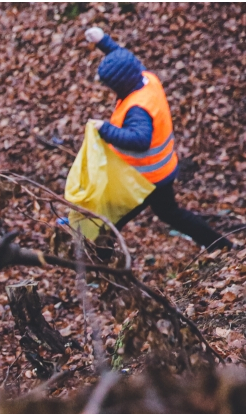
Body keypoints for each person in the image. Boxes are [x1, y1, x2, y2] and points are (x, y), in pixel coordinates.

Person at [85, 27, 233, 251]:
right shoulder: (146, 79)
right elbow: (126, 60)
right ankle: (221, 246)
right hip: (161, 172)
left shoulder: (137, 110)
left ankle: (101, 265)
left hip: (145, 180)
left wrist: (104, 129)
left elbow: (140, 140)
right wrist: (103, 42)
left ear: (120, 85)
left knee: (113, 221)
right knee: (169, 213)